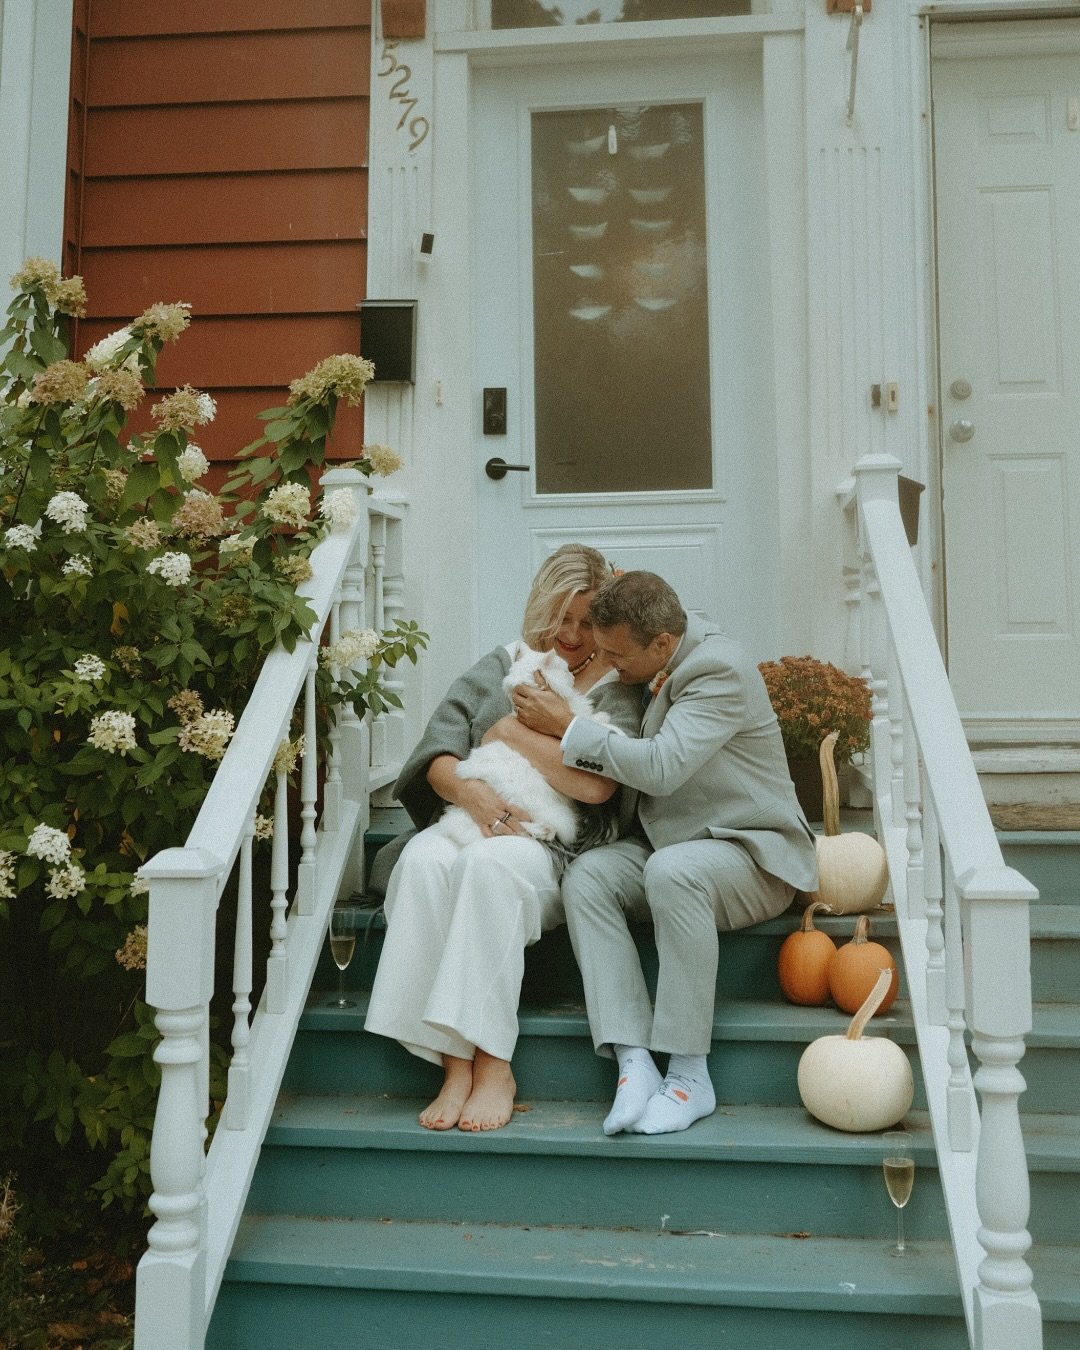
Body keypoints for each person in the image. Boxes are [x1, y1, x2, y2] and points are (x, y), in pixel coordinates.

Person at [500, 570, 818, 1137]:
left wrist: (567, 725)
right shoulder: (651, 653)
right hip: (673, 845)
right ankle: (634, 1061)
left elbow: (663, 768)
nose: (607, 666)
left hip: (752, 855)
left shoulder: (719, 670)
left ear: (663, 643)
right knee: (589, 876)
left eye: (616, 657)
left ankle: (690, 1076)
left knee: (674, 872)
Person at [363, 545, 641, 1133]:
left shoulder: (619, 686)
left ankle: (493, 1062)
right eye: (560, 616)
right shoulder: (503, 662)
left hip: (551, 845)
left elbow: (597, 786)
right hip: (472, 814)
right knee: (423, 859)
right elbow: (437, 755)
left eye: (586, 621)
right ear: (540, 604)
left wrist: (508, 732)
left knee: (488, 868)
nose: (571, 634)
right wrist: (474, 798)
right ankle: (454, 1063)